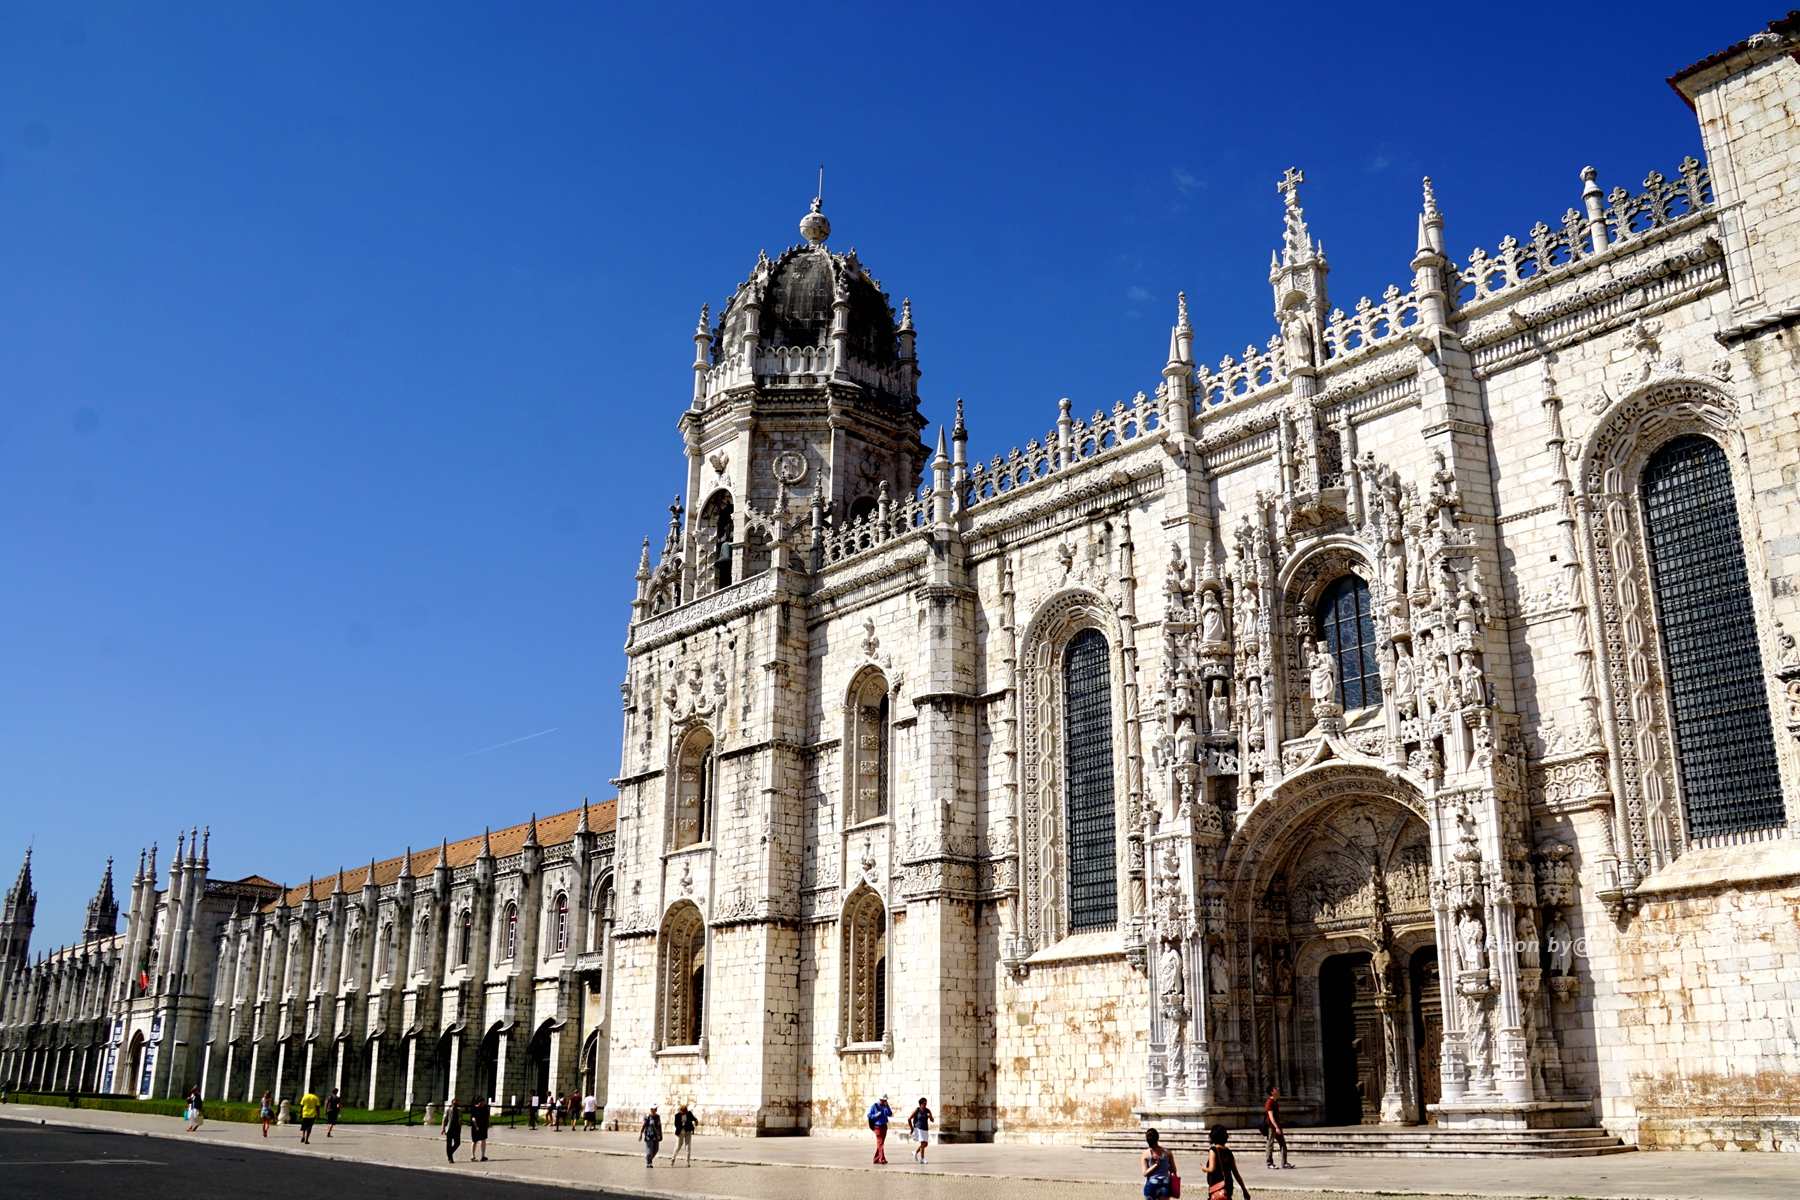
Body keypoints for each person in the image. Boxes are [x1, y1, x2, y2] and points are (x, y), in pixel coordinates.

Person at [1205, 1124, 1251, 1200]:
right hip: (1227, 1185)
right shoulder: (1228, 1152)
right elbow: (1236, 1173)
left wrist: (1204, 1169)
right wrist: (1244, 1189)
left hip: (1217, 1185)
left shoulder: (1213, 1150)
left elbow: (1212, 1169)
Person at [1141, 1128, 1176, 1200]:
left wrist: (1156, 1165)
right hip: (1165, 1182)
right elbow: (1174, 1170)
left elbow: (1145, 1173)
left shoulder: (1145, 1154)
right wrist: (1166, 1166)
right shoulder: (1167, 1152)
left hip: (1152, 1182)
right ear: (1158, 1138)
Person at [1262, 1086, 1291, 1169]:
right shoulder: (1269, 1102)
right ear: (1272, 1092)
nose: (1277, 1089)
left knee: (1283, 1144)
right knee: (1270, 1144)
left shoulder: (1275, 1101)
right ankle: (1269, 1163)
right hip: (1271, 1127)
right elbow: (1271, 1116)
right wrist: (1276, 1127)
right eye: (1275, 1089)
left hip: (1277, 1126)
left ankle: (1284, 1163)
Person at [867, 1093, 892, 1164]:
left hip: (884, 1126)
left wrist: (887, 1107)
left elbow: (890, 1114)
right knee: (880, 1143)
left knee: (880, 1143)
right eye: (884, 1100)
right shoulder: (874, 1106)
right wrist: (876, 1115)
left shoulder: (885, 1106)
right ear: (880, 1099)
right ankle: (882, 1158)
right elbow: (869, 1115)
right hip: (877, 1127)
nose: (885, 1101)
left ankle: (876, 1159)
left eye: (885, 1100)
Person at [908, 1097, 934, 1165]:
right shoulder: (917, 1110)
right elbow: (909, 1118)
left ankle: (915, 1152)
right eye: (924, 1103)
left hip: (925, 1128)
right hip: (918, 1128)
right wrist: (911, 1128)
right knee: (922, 1143)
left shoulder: (927, 1110)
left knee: (925, 1144)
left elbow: (932, 1120)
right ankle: (922, 1159)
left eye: (926, 1103)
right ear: (920, 1104)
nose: (925, 1105)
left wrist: (930, 1116)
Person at [470, 1096, 490, 1162]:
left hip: (483, 1125)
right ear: (478, 1102)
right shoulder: (474, 1108)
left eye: (483, 1103)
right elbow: (473, 1118)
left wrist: (489, 1123)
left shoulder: (485, 1108)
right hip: (476, 1126)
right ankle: (473, 1156)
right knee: (474, 1141)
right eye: (480, 1103)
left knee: (483, 1140)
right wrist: (476, 1125)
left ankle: (483, 1156)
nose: (482, 1104)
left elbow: (487, 1116)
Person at [442, 1098, 462, 1163]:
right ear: (452, 1104)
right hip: (449, 1128)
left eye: (457, 1104)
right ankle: (450, 1158)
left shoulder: (459, 1110)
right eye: (454, 1104)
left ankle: (450, 1152)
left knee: (458, 1143)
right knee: (449, 1143)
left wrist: (460, 1128)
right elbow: (444, 1120)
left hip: (456, 1128)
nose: (456, 1105)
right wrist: (443, 1129)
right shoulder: (448, 1110)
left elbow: (460, 1120)